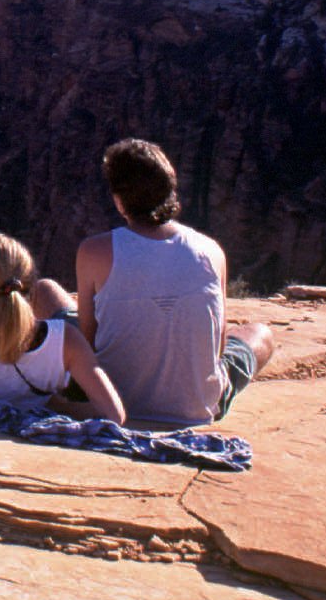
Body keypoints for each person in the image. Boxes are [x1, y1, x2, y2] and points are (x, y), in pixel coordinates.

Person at [73, 138, 275, 426]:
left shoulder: (93, 251)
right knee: (259, 334)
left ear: (119, 199)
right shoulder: (211, 251)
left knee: (50, 297)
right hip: (197, 408)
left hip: (112, 400)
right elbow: (216, 346)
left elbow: (87, 341)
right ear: (169, 190)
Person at [0, 233, 126, 423]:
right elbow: (114, 415)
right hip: (44, 378)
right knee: (48, 288)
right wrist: (60, 406)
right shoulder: (67, 340)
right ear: (29, 280)